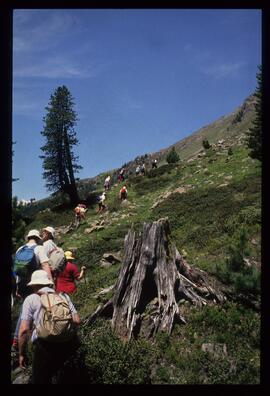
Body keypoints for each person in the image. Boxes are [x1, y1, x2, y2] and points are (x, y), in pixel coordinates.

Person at [18, 270, 81, 384]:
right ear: (48, 283)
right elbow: (77, 320)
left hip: (44, 346)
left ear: (34, 285)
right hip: (67, 344)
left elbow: (23, 330)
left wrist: (22, 354)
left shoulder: (31, 299)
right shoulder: (63, 296)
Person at [12, 230, 51, 351]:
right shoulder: (39, 248)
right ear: (38, 238)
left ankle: (21, 339)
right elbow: (45, 265)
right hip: (35, 283)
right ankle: (22, 340)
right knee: (38, 308)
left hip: (22, 284)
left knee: (26, 309)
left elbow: (17, 271)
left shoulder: (20, 249)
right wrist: (51, 282)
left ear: (28, 237)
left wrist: (18, 286)